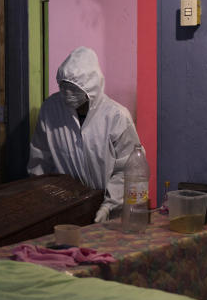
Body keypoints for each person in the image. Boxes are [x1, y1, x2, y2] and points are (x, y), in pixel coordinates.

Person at [27, 46, 141, 223]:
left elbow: (130, 167)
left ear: (92, 87)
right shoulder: (51, 110)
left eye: (74, 88)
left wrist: (109, 205)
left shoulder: (116, 117)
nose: (67, 93)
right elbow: (40, 160)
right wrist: (43, 200)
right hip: (65, 208)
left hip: (110, 210)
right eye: (63, 86)